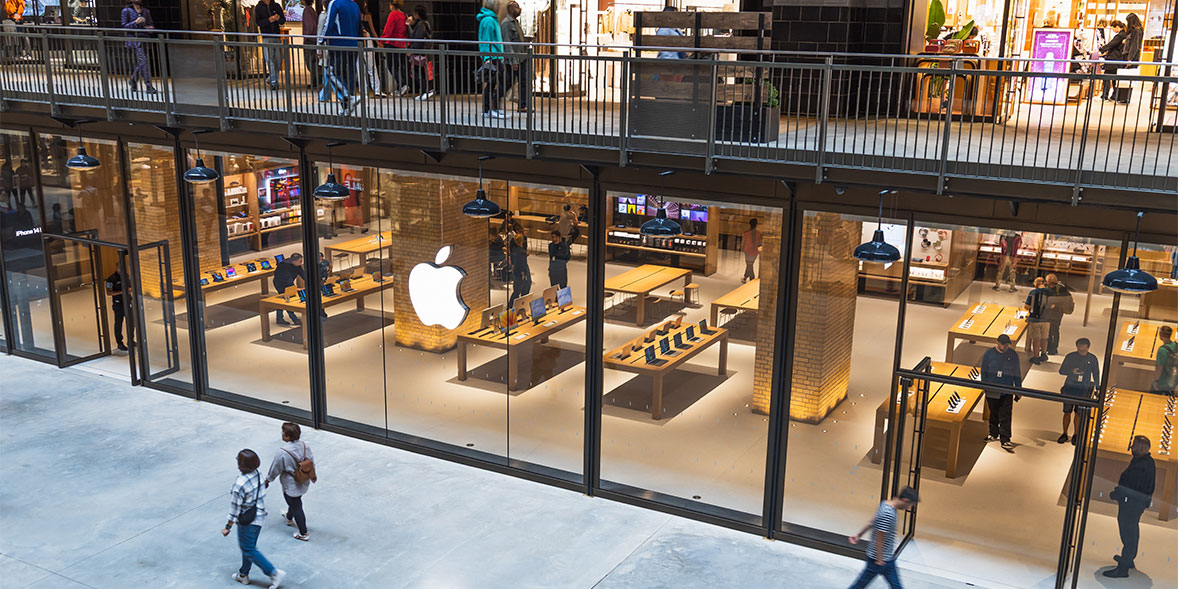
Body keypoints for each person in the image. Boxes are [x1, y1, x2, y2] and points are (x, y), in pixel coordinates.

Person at [222, 449, 286, 588]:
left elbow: (234, 508)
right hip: (259, 516)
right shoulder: (258, 474)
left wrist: (228, 527)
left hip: (247, 521)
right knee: (248, 547)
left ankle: (274, 573)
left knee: (249, 548)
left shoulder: (239, 483)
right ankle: (243, 575)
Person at [1102, 435, 1155, 578]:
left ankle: (1123, 568)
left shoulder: (1142, 465)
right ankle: (1128, 558)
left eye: (1134, 446)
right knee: (1130, 531)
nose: (1131, 447)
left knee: (1128, 532)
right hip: (1133, 503)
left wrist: (1117, 494)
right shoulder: (1144, 461)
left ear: (1143, 449)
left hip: (1131, 504)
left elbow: (1131, 488)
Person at [847, 486, 919, 588]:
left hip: (886, 558)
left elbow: (872, 522)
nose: (909, 508)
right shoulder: (888, 514)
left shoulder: (885, 504)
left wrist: (859, 535)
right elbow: (879, 539)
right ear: (905, 500)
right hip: (879, 560)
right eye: (910, 505)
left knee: (895, 586)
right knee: (859, 585)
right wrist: (880, 560)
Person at [265, 422, 316, 542]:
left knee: (296, 505)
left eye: (283, 432)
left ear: (287, 436)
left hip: (291, 483)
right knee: (294, 501)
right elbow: (311, 461)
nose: (282, 434)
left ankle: (303, 533)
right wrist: (313, 474)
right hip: (304, 479)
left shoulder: (282, 452)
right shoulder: (304, 446)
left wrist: (268, 480)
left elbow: (275, 468)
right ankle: (288, 517)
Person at [981, 333, 1021, 452]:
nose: (1004, 347)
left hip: (1007, 389)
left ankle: (1005, 439)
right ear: (997, 343)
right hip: (992, 388)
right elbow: (984, 371)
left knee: (1006, 414)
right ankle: (993, 433)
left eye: (1007, 345)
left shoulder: (1013, 355)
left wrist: (1018, 389)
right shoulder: (989, 354)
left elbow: (1017, 373)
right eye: (1003, 345)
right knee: (993, 412)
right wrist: (985, 386)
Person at [322, 0, 362, 114]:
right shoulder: (355, 5)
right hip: (353, 45)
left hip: (338, 45)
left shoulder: (335, 3)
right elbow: (359, 26)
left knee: (332, 73)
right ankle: (346, 106)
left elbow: (328, 23)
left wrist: (321, 40)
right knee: (348, 76)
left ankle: (349, 97)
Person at [1057, 337, 1098, 445]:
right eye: (1079, 350)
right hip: (1070, 387)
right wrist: (1071, 371)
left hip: (1083, 389)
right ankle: (1064, 433)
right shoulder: (1070, 356)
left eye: (1083, 350)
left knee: (1078, 413)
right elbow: (1061, 371)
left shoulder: (1092, 359)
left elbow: (1096, 374)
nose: (1081, 352)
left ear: (1088, 348)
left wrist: (1097, 387)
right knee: (1067, 412)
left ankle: (1076, 434)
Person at [476, 0, 506, 119]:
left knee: (493, 82)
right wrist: (487, 58)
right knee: (493, 82)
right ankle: (489, 109)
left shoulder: (491, 19)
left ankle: (491, 108)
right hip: (493, 56)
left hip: (495, 55)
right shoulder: (489, 20)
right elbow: (486, 40)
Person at [120, 0, 157, 94]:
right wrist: (135, 22)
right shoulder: (126, 11)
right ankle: (149, 86)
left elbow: (151, 24)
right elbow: (124, 26)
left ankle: (133, 79)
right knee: (143, 61)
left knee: (142, 62)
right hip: (134, 39)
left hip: (144, 38)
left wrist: (150, 28)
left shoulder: (145, 11)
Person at [500, 1, 529, 112]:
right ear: (511, 9)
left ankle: (522, 105)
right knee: (508, 82)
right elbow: (507, 43)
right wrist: (513, 60)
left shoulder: (515, 22)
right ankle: (494, 99)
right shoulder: (506, 23)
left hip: (521, 58)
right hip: (514, 60)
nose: (519, 9)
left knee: (523, 82)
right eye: (517, 7)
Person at [255, 0, 286, 91]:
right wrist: (268, 20)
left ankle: (271, 78)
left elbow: (282, 20)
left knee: (279, 59)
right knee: (270, 59)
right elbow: (258, 22)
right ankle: (274, 82)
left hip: (277, 36)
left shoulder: (276, 6)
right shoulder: (259, 7)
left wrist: (278, 18)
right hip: (266, 36)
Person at [380, 0, 410, 96]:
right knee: (400, 65)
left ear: (391, 5)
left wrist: (381, 41)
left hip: (393, 43)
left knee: (391, 65)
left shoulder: (393, 14)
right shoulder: (404, 15)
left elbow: (388, 29)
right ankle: (402, 86)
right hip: (403, 43)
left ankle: (402, 84)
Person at [408, 5, 435, 100]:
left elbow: (418, 39)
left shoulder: (420, 25)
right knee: (424, 72)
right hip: (425, 53)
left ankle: (426, 91)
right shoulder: (425, 23)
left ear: (417, 14)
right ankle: (426, 91)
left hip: (419, 53)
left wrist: (412, 50)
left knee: (417, 73)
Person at [1024, 276, 1052, 364]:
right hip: (1046, 319)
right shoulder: (1050, 292)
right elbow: (1053, 305)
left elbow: (1026, 306)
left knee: (1036, 338)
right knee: (1044, 337)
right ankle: (1044, 354)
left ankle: (1036, 356)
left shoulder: (1033, 292)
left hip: (1035, 319)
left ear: (1036, 284)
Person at [1044, 273, 1073, 356]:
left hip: (1056, 313)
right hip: (1051, 312)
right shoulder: (1061, 288)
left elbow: (1065, 300)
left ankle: (1053, 348)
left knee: (1054, 330)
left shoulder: (1060, 289)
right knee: (1050, 330)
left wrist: (1055, 304)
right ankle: (1049, 347)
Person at [273, 253, 306, 326]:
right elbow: (287, 281)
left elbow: (303, 274)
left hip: (288, 282)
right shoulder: (283, 266)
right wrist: (295, 289)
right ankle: (294, 319)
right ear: (294, 261)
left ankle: (279, 318)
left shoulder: (297, 265)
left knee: (283, 300)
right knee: (287, 299)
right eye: (300, 261)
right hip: (280, 283)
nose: (301, 263)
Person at [105, 268, 132, 352]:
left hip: (128, 301)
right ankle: (119, 343)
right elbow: (108, 292)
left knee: (132, 322)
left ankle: (131, 339)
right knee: (118, 323)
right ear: (116, 268)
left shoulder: (126, 276)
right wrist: (122, 292)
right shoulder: (111, 279)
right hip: (118, 304)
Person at [300, 0, 320, 88]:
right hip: (314, 39)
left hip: (310, 40)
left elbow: (310, 26)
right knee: (314, 61)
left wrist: (306, 37)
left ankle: (315, 80)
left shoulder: (307, 10)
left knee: (310, 61)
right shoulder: (312, 10)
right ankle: (316, 80)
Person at [1151, 325, 1177, 394]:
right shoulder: (1176, 345)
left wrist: (1156, 381)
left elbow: (1159, 368)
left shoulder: (1162, 350)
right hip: (1173, 381)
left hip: (1162, 382)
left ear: (1160, 335)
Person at [508, 232, 531, 307]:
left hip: (515, 271)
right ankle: (514, 305)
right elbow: (522, 263)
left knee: (517, 289)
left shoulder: (514, 250)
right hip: (520, 272)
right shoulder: (521, 252)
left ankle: (512, 305)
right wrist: (523, 274)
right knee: (521, 289)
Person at [741, 218, 763, 283]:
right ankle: (745, 277)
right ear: (756, 225)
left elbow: (743, 243)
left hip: (747, 251)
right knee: (750, 264)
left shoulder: (746, 233)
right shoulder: (759, 233)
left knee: (749, 264)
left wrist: (742, 248)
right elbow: (760, 243)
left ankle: (751, 278)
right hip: (755, 251)